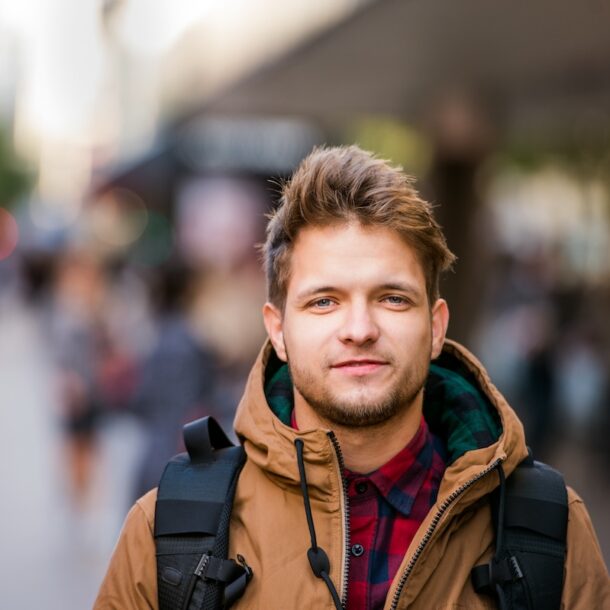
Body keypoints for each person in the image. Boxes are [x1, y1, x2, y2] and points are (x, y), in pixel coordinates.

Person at [94, 145, 609, 609]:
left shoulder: (549, 531)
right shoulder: (171, 530)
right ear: (278, 330)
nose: (359, 330)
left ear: (435, 327)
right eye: (324, 301)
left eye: (391, 298)